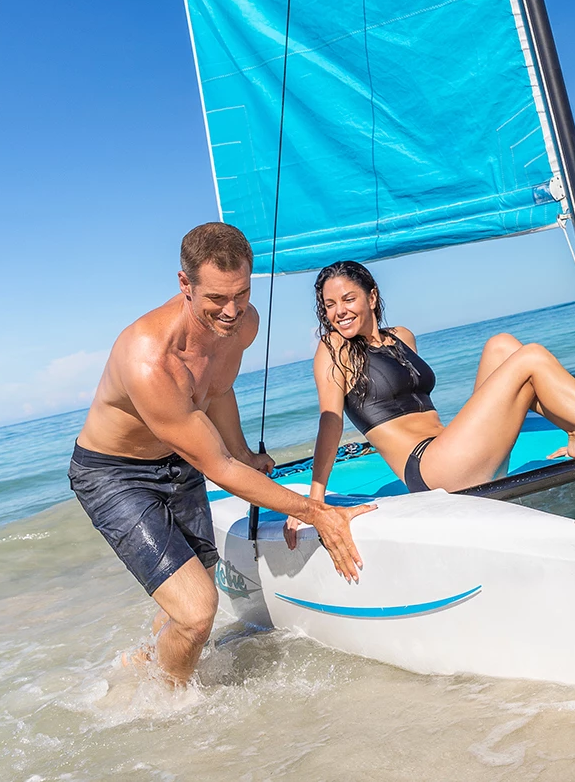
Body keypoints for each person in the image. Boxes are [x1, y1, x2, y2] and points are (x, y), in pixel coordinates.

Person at [69, 223, 375, 687]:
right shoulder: (149, 358)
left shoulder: (242, 323)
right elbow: (219, 469)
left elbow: (219, 387)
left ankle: (152, 663)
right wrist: (317, 512)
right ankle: (170, 710)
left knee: (192, 589)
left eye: (242, 293)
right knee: (197, 613)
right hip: (116, 474)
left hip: (179, 457)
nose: (231, 311)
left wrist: (244, 452)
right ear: (184, 284)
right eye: (216, 298)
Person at [285, 260, 575, 541]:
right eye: (329, 304)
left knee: (502, 345)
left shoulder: (402, 338)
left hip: (461, 454)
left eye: (348, 298)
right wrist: (315, 500)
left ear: (371, 297)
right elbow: (330, 421)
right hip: (433, 470)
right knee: (532, 358)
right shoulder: (333, 350)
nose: (339, 311)